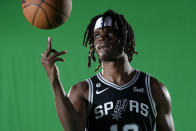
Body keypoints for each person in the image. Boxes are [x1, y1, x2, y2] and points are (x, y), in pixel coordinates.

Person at [41, 9, 175, 131]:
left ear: (125, 38)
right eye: (97, 35)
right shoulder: (83, 90)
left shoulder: (153, 87)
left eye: (109, 32)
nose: (102, 38)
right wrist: (54, 80)